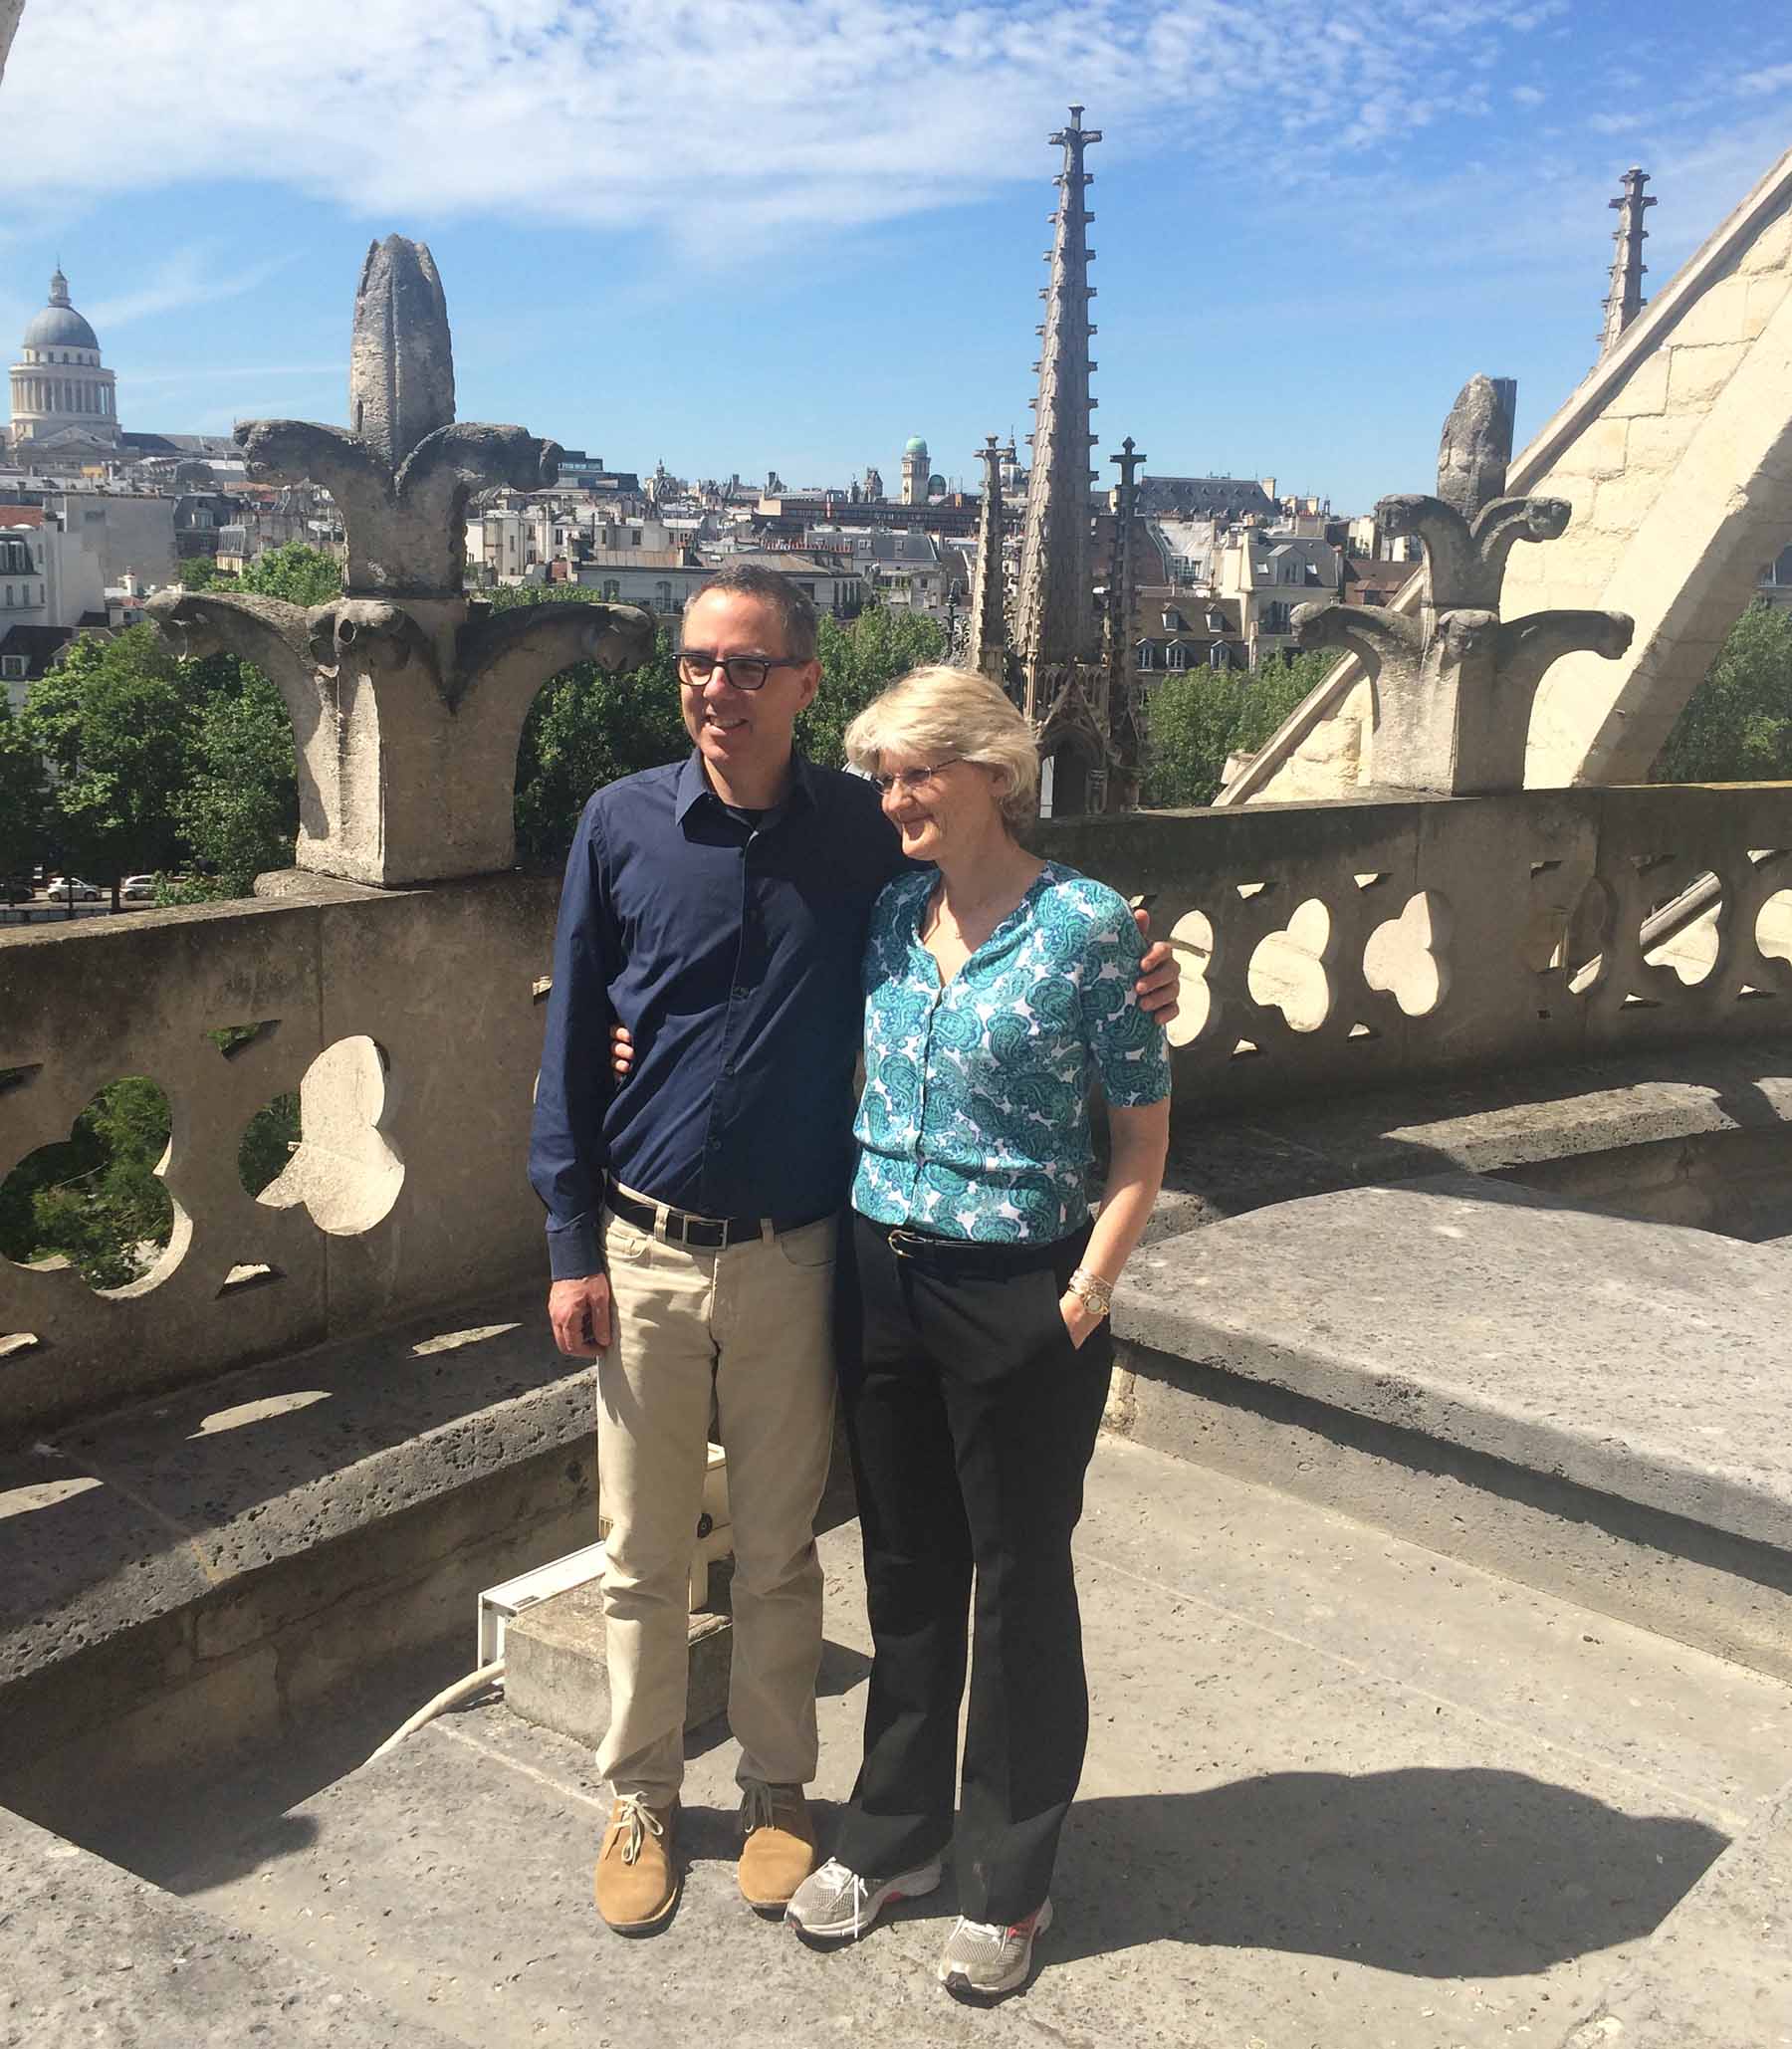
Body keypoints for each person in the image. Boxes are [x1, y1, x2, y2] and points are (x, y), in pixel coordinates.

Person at [527, 568, 1180, 1938]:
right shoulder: (628, 825)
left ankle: (795, 1793)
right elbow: (573, 1032)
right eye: (702, 660)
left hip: (818, 1255)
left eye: (752, 663)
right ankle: (654, 1793)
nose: (722, 687)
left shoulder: (866, 840)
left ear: (804, 682)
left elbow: (1050, 932)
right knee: (668, 1549)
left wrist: (1154, 966)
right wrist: (565, 1233)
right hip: (680, 1249)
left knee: (798, 1550)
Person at [784, 667, 1172, 2004]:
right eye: (882, 776)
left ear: (993, 773)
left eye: (914, 773)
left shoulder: (1087, 930)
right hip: (881, 1272)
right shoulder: (894, 913)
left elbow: (1139, 1134)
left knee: (1017, 1586)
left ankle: (1010, 1875)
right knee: (903, 1563)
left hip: (1021, 1286)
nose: (892, 798)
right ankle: (894, 1832)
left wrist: (1086, 1293)